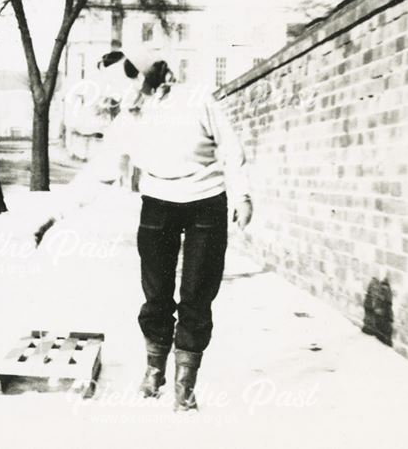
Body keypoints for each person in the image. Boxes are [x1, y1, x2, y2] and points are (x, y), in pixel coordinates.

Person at [36, 47, 252, 411]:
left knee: (197, 294)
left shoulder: (195, 100)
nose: (116, 96)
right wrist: (54, 216)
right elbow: (98, 175)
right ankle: (155, 368)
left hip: (206, 200)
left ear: (144, 76)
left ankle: (185, 385)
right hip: (158, 200)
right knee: (156, 295)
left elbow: (231, 148)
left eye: (121, 85)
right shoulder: (127, 123)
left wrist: (242, 195)